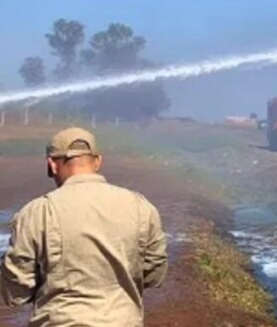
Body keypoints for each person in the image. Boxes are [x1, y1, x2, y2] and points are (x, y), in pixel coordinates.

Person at [0, 127, 167, 326]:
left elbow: (16, 290)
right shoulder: (141, 207)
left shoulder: (37, 211)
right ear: (97, 162)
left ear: (52, 165)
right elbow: (155, 273)